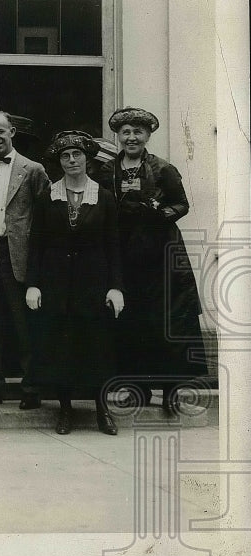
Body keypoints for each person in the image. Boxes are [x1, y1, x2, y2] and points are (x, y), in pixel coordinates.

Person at [96, 107, 206, 413]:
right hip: (126, 254)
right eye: (126, 132)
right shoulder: (108, 171)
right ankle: (137, 389)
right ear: (118, 136)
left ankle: (171, 391)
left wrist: (160, 213)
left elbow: (182, 205)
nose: (131, 138)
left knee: (167, 320)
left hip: (161, 254)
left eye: (138, 132)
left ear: (147, 136)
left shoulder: (163, 169)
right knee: (131, 322)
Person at [25, 130, 124, 435]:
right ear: (59, 162)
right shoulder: (47, 197)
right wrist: (34, 284)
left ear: (87, 159)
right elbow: (36, 244)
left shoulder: (104, 197)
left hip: (93, 285)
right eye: (65, 156)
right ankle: (64, 411)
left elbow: (114, 246)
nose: (71, 161)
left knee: (97, 346)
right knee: (61, 348)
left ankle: (102, 410)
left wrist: (116, 286)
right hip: (56, 285)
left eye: (76, 155)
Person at [0, 111, 51, 409]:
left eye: (0, 132)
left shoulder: (33, 170)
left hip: (22, 255)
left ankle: (31, 386)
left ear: (12, 132)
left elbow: (44, 220)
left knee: (24, 322)